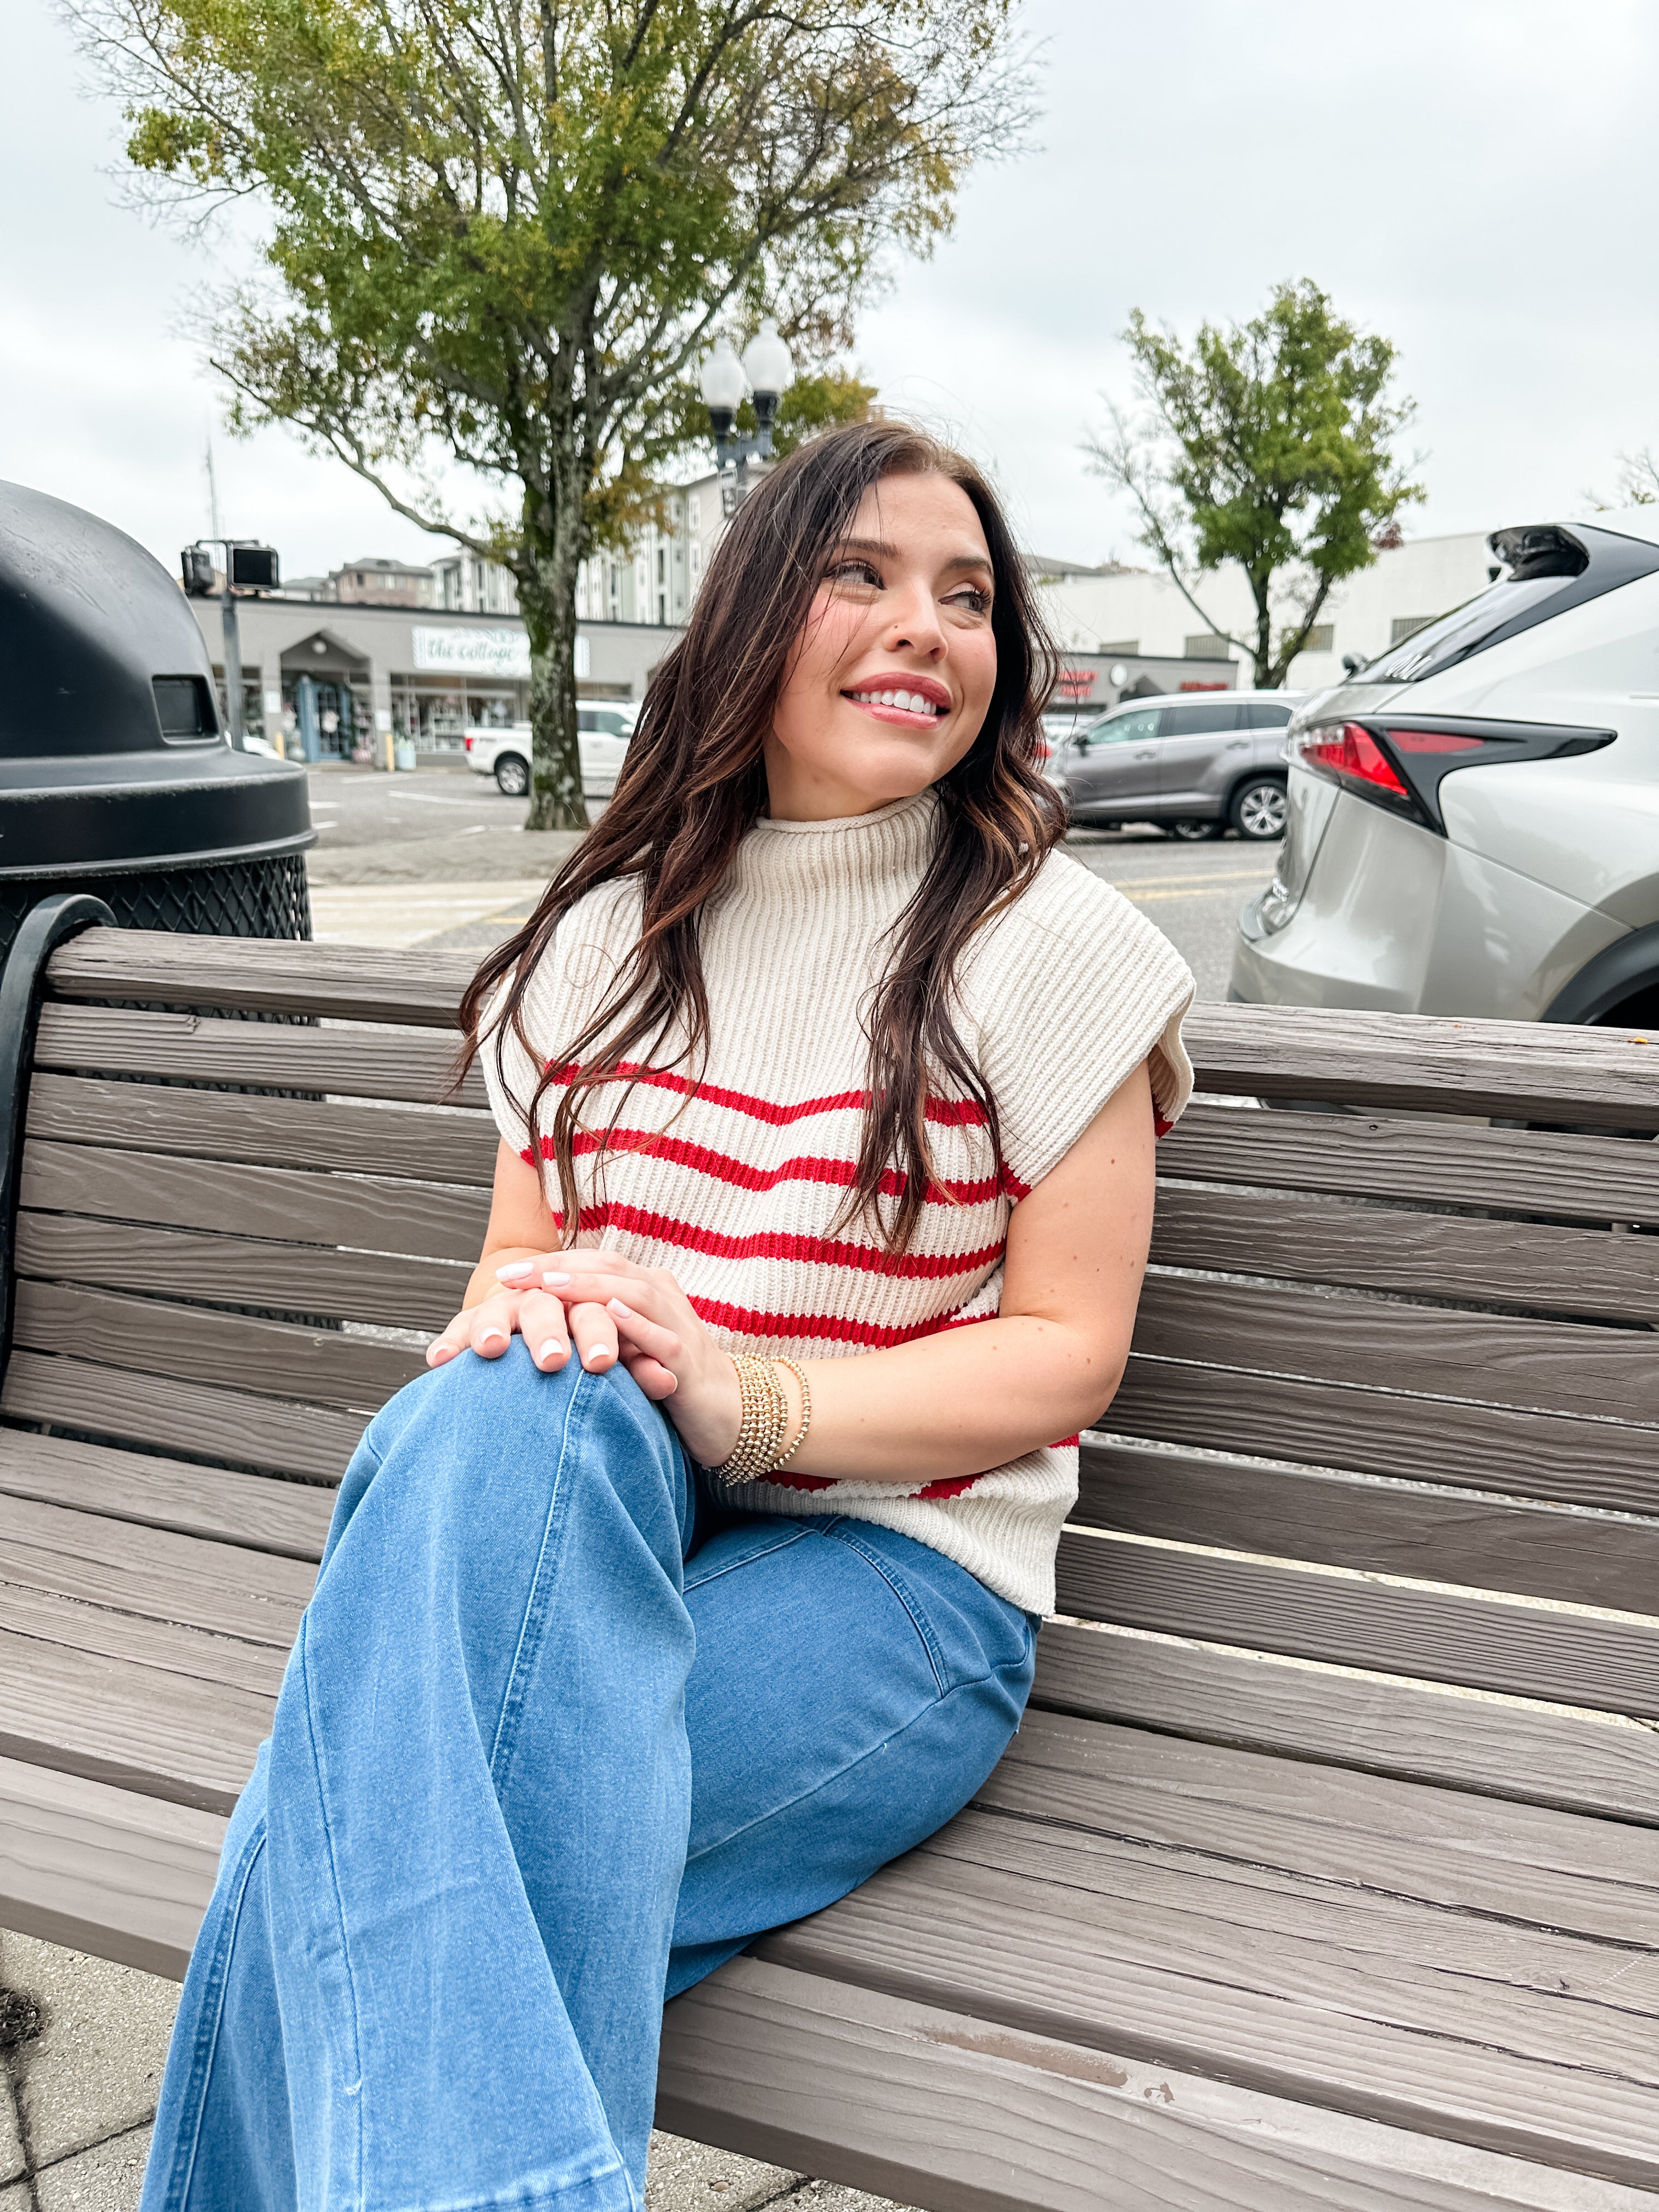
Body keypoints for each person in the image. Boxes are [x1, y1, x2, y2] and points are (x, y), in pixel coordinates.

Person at [142, 420, 1194, 2212]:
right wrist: (571, 1342)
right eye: (860, 575)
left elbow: (1059, 1360)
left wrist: (743, 1401)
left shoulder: (1054, 945)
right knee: (498, 1399)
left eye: (967, 598)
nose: (924, 626)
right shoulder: (602, 938)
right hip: (592, 1518)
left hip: (897, 1572)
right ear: (749, 621)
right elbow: (508, 1279)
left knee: (344, 1836)